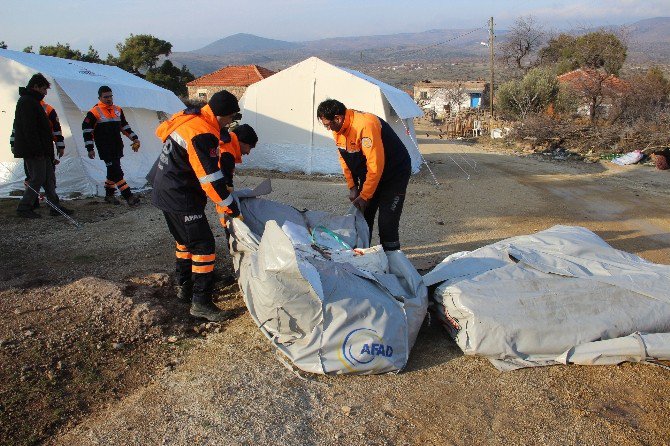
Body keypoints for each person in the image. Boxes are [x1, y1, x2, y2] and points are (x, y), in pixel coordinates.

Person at [149, 90, 242, 321]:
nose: (231, 123)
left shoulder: (189, 117)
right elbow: (209, 177)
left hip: (164, 189)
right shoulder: (201, 132)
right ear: (221, 115)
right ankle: (201, 302)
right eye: (231, 118)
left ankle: (185, 288)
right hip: (180, 194)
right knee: (203, 246)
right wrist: (230, 205)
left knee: (184, 242)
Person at [316, 99, 411, 252]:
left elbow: (375, 165)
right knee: (363, 216)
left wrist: (365, 195)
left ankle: (392, 259)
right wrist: (352, 187)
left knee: (387, 222)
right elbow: (344, 159)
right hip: (371, 174)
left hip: (394, 173)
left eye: (328, 124)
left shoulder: (365, 125)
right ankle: (363, 254)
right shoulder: (338, 130)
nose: (328, 129)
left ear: (338, 118)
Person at [11, 73, 72, 219]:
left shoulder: (34, 102)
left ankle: (54, 206)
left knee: (49, 178)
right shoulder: (26, 102)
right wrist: (37, 149)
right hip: (35, 150)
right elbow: (29, 129)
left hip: (44, 149)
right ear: (35, 87)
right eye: (43, 89)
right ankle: (24, 207)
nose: (45, 93)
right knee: (37, 178)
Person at [82, 86, 141, 206]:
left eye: (110, 96)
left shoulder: (118, 109)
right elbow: (87, 130)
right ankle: (128, 196)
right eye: (106, 97)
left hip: (117, 146)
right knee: (117, 172)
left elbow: (124, 126)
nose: (109, 99)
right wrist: (90, 148)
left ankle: (109, 195)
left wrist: (135, 138)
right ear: (99, 98)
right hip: (105, 148)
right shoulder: (94, 112)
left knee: (112, 171)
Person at [214, 123, 258, 227]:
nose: (248, 152)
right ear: (242, 143)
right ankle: (227, 225)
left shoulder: (226, 146)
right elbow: (224, 188)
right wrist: (233, 213)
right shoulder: (227, 153)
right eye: (249, 147)